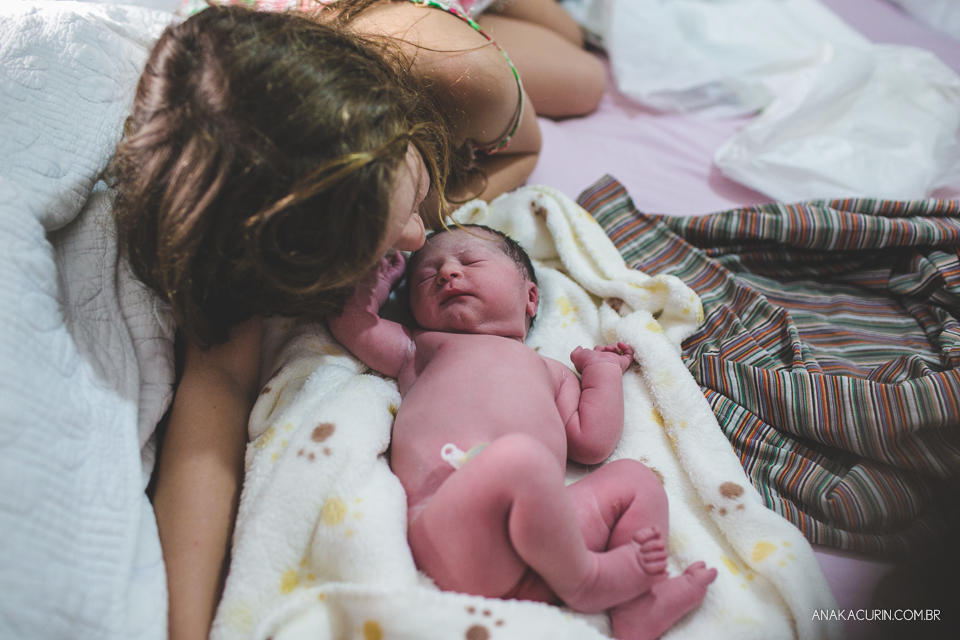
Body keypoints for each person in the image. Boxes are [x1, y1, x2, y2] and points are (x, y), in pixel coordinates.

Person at [110, 2, 605, 639]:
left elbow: (526, 146)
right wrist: (185, 629)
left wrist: (443, 195)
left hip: (436, 33)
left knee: (586, 76)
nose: (418, 237)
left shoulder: (460, 74)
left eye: (408, 191)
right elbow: (216, 392)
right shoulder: (238, 202)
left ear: (399, 120)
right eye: (377, 248)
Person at [328, 226, 717, 640]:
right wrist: (376, 282)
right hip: (458, 533)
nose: (446, 274)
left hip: (550, 542)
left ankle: (638, 605)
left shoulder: (552, 372)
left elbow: (593, 442)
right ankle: (587, 581)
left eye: (470, 261)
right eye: (427, 276)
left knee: (636, 481)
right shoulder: (419, 348)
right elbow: (351, 322)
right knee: (520, 458)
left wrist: (602, 374)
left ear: (530, 297)